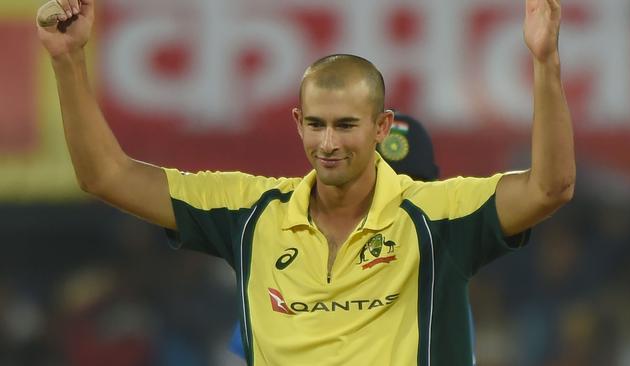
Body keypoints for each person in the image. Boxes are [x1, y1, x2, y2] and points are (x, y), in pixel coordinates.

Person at [38, 0, 574, 364]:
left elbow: (550, 188)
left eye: (346, 126)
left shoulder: (436, 217)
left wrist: (545, 64)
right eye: (316, 124)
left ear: (381, 127)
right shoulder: (250, 213)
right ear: (297, 122)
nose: (328, 143)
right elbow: (106, 175)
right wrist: (69, 61)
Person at [227, 112, 439, 360]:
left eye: (411, 189)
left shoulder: (440, 286)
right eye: (382, 185)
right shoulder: (294, 272)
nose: (396, 202)